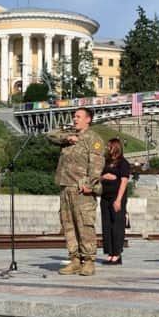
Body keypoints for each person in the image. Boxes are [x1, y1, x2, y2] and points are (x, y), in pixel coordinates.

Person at [45, 107, 104, 276]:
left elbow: (96, 165)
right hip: (65, 187)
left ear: (88, 119)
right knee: (68, 225)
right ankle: (75, 260)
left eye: (78, 117)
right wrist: (67, 136)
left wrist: (90, 185)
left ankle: (89, 261)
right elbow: (50, 134)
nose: (75, 119)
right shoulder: (70, 137)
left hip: (81, 189)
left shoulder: (93, 139)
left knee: (84, 225)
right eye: (74, 116)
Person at [100, 138, 130, 266]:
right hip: (105, 197)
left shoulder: (123, 163)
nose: (108, 148)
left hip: (116, 198)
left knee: (117, 226)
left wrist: (118, 200)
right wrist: (104, 177)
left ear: (116, 147)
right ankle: (110, 253)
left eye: (110, 146)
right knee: (106, 225)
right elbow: (98, 176)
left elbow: (124, 181)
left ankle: (117, 254)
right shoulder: (106, 162)